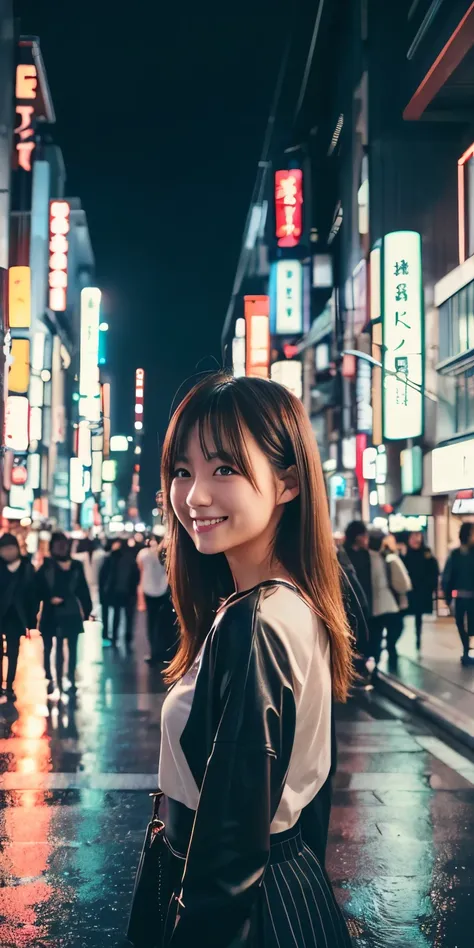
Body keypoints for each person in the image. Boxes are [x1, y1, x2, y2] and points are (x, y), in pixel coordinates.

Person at [146, 373, 353, 947]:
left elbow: (231, 844)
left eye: (224, 469)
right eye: (182, 471)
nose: (194, 496)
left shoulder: (257, 620)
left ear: (288, 482)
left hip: (242, 912)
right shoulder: (287, 605)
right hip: (283, 894)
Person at [36, 533, 92, 695]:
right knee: (49, 647)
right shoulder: (46, 565)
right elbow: (36, 589)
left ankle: (70, 679)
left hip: (70, 611)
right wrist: (48, 598)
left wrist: (87, 610)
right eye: (58, 544)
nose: (61, 547)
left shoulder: (76, 565)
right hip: (50, 612)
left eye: (64, 544)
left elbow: (83, 589)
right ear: (52, 546)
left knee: (71, 647)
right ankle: (50, 678)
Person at [0, 533, 39, 700]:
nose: (7, 552)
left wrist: (32, 620)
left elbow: (33, 596)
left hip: (17, 616)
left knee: (14, 651)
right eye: (4, 549)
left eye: (10, 548)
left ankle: (9, 684)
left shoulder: (26, 568)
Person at [137, 536, 172, 665]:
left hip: (148, 590)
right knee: (163, 623)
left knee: (151, 623)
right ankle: (164, 651)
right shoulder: (167, 553)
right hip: (163, 589)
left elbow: (140, 569)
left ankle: (153, 652)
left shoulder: (143, 554)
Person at [442, 523, 474, 666]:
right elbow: (448, 576)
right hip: (460, 596)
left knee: (471, 625)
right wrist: (447, 597)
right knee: (461, 624)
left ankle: (469, 651)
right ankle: (466, 651)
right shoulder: (455, 554)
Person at [401, 531, 439, 650]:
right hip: (408, 589)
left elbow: (434, 569)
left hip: (421, 589)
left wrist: (431, 586)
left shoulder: (426, 552)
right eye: (413, 537)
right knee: (402, 614)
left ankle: (418, 637)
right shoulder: (406, 552)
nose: (415, 539)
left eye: (417, 536)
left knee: (418, 615)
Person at [99, 538, 140, 647]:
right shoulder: (130, 559)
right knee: (127, 615)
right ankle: (127, 637)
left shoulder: (111, 558)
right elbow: (136, 576)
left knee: (117, 615)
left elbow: (103, 577)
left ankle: (115, 637)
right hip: (125, 591)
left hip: (117, 590)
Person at [379, 534, 412, 661]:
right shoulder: (392, 559)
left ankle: (390, 648)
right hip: (394, 599)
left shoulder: (385, 558)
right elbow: (404, 583)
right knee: (397, 626)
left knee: (394, 626)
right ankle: (391, 649)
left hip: (391, 599)